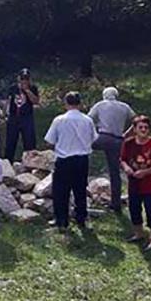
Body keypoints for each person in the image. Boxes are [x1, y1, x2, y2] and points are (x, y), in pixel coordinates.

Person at [44, 91, 98, 230]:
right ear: (80, 104)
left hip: (64, 158)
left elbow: (49, 140)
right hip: (82, 159)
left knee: (61, 190)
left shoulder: (59, 120)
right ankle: (81, 218)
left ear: (66, 104)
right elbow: (94, 139)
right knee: (80, 189)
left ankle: (62, 220)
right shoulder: (87, 120)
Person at [89, 87, 136, 212]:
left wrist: (92, 135)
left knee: (83, 148)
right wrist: (127, 133)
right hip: (118, 140)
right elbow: (137, 121)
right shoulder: (124, 107)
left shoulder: (99, 105)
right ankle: (116, 204)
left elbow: (88, 120)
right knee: (114, 172)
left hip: (103, 137)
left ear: (104, 95)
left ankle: (87, 168)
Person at [120, 115, 151, 250]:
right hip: (134, 184)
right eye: (140, 127)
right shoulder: (128, 143)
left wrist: (145, 172)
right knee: (134, 210)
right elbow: (123, 159)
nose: (143, 130)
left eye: (146, 127)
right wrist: (126, 167)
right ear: (134, 129)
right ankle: (138, 234)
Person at [4, 68, 40, 161]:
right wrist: (6, 114)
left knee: (29, 141)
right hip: (14, 116)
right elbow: (8, 101)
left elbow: (35, 101)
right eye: (22, 78)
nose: (24, 81)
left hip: (26, 117)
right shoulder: (13, 88)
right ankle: (8, 162)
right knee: (10, 142)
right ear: (18, 78)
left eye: (26, 79)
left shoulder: (33, 88)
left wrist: (27, 91)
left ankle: (30, 162)